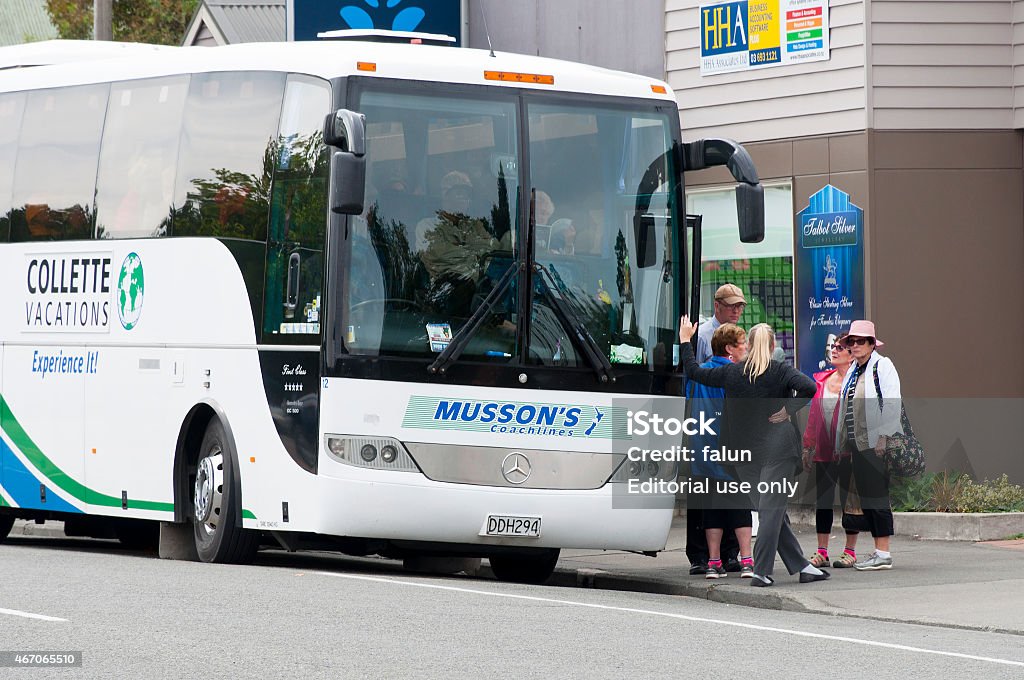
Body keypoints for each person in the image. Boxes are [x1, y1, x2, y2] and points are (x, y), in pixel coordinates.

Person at [679, 317, 825, 587]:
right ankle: (762, 571)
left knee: (771, 511)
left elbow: (695, 372)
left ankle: (802, 566)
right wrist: (788, 409)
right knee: (771, 512)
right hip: (777, 452)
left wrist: (685, 341)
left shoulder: (732, 372)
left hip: (743, 457)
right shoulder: (779, 370)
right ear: (771, 345)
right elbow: (809, 387)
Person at [687, 323, 754, 579]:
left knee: (712, 507)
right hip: (731, 450)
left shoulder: (700, 372)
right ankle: (746, 560)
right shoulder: (736, 373)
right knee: (739, 505)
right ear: (729, 349)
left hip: (703, 450)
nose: (746, 348)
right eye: (742, 343)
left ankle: (713, 562)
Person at [835, 320, 902, 571]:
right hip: (856, 443)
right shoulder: (854, 369)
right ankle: (878, 551)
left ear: (872, 344)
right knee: (867, 496)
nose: (854, 345)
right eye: (851, 341)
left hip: (875, 442)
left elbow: (892, 401)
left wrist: (884, 436)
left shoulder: (882, 366)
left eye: (860, 341)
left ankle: (883, 552)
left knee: (877, 495)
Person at [802, 332, 862, 569]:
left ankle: (850, 551)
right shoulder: (822, 380)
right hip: (824, 449)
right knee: (823, 501)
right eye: (833, 347)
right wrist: (808, 446)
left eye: (840, 348)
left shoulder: (857, 381)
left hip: (850, 451)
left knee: (850, 502)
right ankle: (822, 552)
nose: (834, 350)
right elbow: (813, 417)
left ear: (850, 356)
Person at [418, 171, 499, 313]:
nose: (464, 198)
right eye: (459, 193)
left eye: (467, 194)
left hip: (481, 291)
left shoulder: (475, 225)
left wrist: (466, 253)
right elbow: (441, 256)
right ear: (444, 195)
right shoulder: (427, 226)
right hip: (445, 294)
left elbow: (494, 249)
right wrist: (477, 257)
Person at [696, 284, 746, 364]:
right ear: (717, 306)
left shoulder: (739, 336)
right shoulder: (702, 336)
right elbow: (694, 373)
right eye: (731, 306)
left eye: (740, 306)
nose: (736, 311)